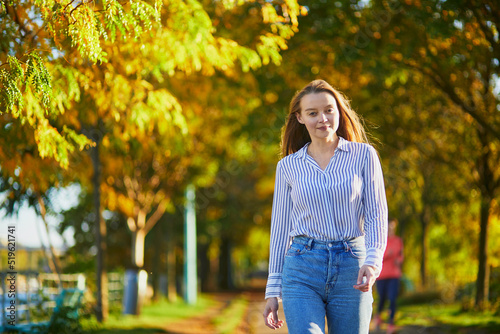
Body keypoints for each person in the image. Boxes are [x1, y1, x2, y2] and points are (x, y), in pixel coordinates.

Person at [262, 79, 388, 334]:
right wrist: (272, 290)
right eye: (313, 113)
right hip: (301, 267)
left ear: (339, 111)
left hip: (352, 265)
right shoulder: (287, 167)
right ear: (299, 118)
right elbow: (280, 229)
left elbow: (376, 214)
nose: (323, 118)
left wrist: (373, 261)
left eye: (329, 110)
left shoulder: (364, 156)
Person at [374, 218, 404, 334]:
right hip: (382, 274)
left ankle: (391, 324)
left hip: (394, 274)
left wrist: (398, 260)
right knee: (382, 298)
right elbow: (377, 256)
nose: (391, 229)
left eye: (393, 227)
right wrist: (388, 254)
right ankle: (378, 316)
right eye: (389, 227)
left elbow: (401, 255)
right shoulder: (381, 240)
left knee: (392, 298)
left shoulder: (398, 240)